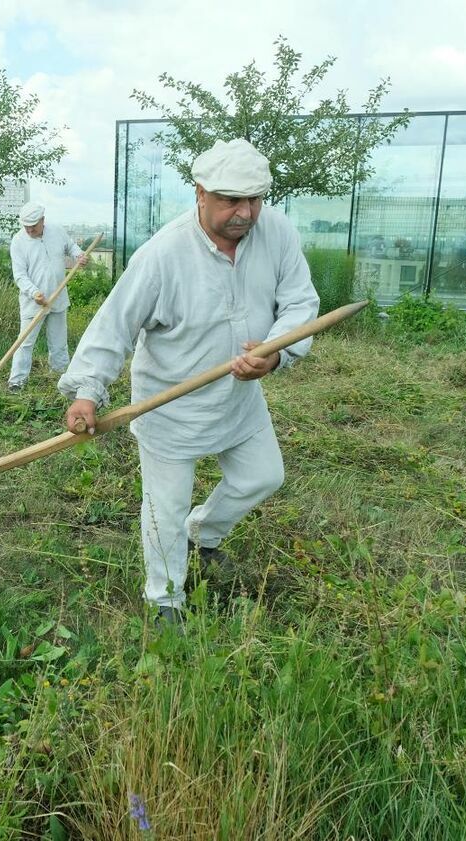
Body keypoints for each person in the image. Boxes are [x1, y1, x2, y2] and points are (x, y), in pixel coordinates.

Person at [57, 138, 320, 625]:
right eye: (230, 200)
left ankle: (204, 534)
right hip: (169, 407)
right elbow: (115, 324)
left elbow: (301, 303)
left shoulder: (277, 233)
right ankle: (164, 601)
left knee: (262, 476)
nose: (244, 212)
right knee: (165, 509)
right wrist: (88, 392)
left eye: (254, 200)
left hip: (240, 400)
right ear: (200, 193)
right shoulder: (162, 255)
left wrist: (277, 351)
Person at [7, 202, 88, 393]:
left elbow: (71, 246)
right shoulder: (18, 241)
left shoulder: (57, 231)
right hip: (33, 302)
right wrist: (35, 293)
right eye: (26, 226)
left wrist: (79, 256)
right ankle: (17, 381)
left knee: (59, 342)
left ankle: (60, 378)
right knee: (24, 342)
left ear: (43, 220)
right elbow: (19, 275)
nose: (29, 229)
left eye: (33, 225)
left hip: (58, 298)